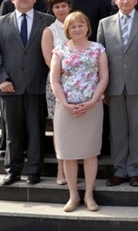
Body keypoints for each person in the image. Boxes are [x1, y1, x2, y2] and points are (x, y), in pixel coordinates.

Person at [0, 0, 54, 186]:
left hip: (37, 85)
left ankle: (34, 171)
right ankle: (13, 170)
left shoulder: (48, 21)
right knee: (13, 133)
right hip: (10, 87)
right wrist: (1, 80)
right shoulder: (0, 23)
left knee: (36, 131)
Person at [97, 0, 138, 187]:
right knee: (118, 128)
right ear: (115, 0)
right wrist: (101, 87)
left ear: (136, 0)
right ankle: (120, 169)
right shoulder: (104, 24)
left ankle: (135, 170)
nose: (125, 1)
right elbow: (100, 58)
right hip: (112, 84)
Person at [50, 11, 108, 212]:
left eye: (80, 25)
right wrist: (65, 104)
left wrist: (92, 101)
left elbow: (103, 77)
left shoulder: (98, 49)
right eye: (73, 26)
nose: (77, 29)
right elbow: (55, 80)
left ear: (87, 27)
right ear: (67, 29)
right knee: (68, 154)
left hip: (91, 107)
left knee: (90, 153)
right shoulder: (59, 51)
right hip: (67, 109)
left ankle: (89, 195)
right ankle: (73, 195)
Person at [41, 0, 71, 185]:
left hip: (81, 86)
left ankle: (74, 167)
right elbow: (48, 60)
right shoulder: (49, 31)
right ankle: (61, 168)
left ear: (70, 7)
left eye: (64, 6)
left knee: (76, 127)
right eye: (57, 7)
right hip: (58, 84)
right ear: (52, 10)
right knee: (59, 127)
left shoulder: (77, 25)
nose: (61, 9)